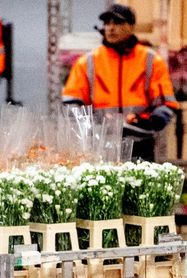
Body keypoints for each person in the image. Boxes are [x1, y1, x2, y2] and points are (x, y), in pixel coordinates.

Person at [61, 4, 178, 162]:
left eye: (117, 23)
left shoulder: (151, 60)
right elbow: (71, 103)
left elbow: (167, 104)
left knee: (140, 186)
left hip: (140, 143)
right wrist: (92, 125)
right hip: (99, 144)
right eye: (107, 23)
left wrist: (148, 122)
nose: (111, 28)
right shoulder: (87, 62)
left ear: (131, 27)